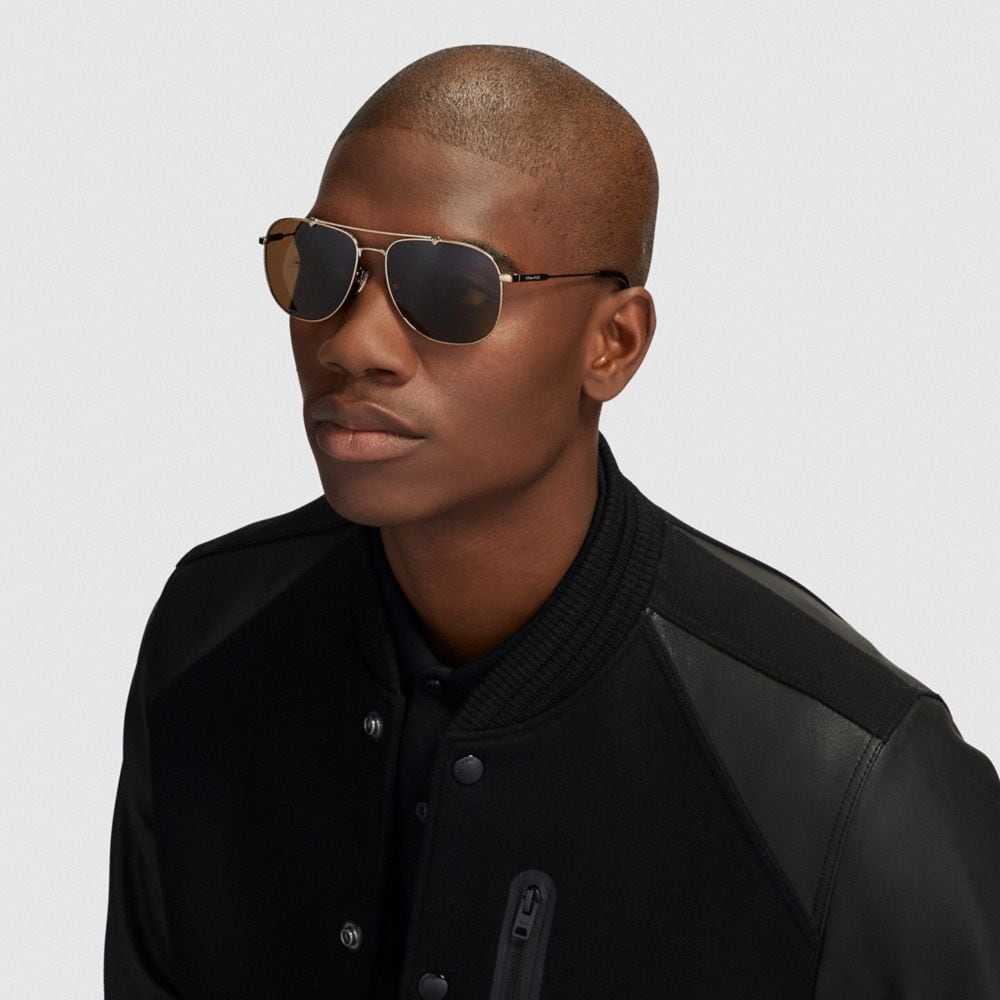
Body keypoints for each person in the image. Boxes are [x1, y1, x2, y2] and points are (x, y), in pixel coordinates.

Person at [103, 45, 1000, 1000]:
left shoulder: (855, 782)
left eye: (452, 288)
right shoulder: (208, 638)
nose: (354, 344)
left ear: (613, 344)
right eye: (322, 266)